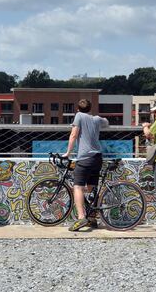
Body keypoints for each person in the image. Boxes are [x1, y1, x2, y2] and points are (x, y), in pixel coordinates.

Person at [62, 99, 109, 231]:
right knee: (91, 188)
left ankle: (81, 217)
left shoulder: (79, 116)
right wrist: (99, 118)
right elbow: (107, 123)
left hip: (85, 158)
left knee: (77, 187)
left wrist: (68, 152)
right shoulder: (96, 119)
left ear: (78, 109)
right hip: (97, 157)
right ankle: (92, 218)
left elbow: (73, 134)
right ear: (90, 108)